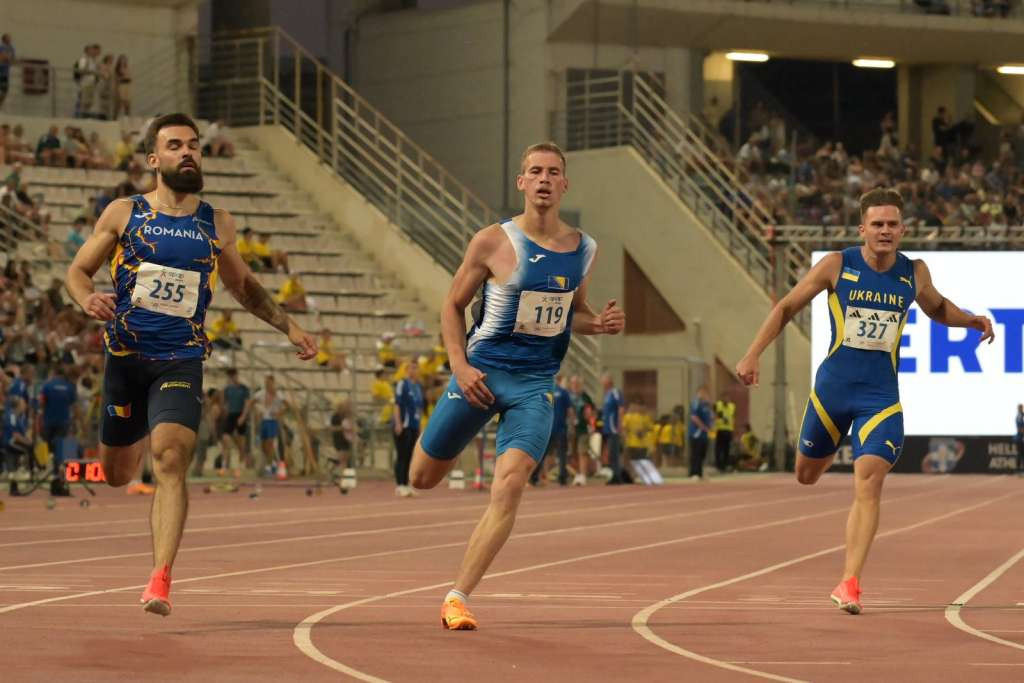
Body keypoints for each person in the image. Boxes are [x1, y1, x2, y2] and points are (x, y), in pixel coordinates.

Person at [64, 113, 316, 617]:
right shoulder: (124, 213)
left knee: (172, 458)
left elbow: (243, 286)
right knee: (116, 474)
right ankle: (128, 447)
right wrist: (86, 298)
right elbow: (76, 271)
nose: (187, 153)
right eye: (175, 145)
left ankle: (160, 578)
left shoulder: (216, 223)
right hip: (125, 360)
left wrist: (288, 326)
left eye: (194, 145)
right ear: (154, 160)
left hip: (180, 359)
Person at [736, 187, 994, 615]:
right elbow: (785, 307)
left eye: (893, 224)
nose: (886, 231)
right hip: (832, 394)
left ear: (903, 229)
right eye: (878, 224)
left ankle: (849, 582)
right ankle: (824, 448)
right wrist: (752, 353)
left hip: (881, 398)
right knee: (805, 475)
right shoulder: (837, 265)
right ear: (863, 229)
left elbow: (936, 307)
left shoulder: (914, 271)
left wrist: (970, 321)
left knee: (869, 480)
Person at [406, 141, 624, 630]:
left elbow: (572, 316)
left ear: (564, 183)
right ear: (521, 183)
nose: (544, 179)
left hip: (534, 385)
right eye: (534, 172)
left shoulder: (583, 249)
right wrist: (459, 366)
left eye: (553, 172)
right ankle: (449, 431)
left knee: (509, 485)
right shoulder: (491, 242)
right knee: (421, 477)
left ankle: (457, 597)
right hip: (482, 373)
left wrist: (601, 323)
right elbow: (451, 306)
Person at [38, 364, 78, 495]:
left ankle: (55, 476)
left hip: (49, 422)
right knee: (61, 452)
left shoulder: (47, 385)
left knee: (52, 452)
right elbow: (74, 406)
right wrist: (76, 423)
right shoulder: (69, 386)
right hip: (63, 423)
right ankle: (60, 479)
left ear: (54, 373)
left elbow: (42, 403)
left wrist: (42, 418)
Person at [393, 361, 424, 497]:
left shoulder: (417, 386)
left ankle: (407, 484)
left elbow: (419, 408)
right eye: (412, 367)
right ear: (406, 369)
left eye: (416, 368)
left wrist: (420, 426)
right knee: (402, 455)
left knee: (411, 456)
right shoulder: (402, 384)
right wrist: (398, 423)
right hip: (404, 425)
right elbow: (397, 404)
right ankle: (400, 484)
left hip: (414, 425)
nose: (414, 370)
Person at [247, 375, 287, 478]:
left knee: (270, 443)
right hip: (263, 421)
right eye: (266, 382)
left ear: (273, 383)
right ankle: (273, 463)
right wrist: (254, 411)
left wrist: (279, 413)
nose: (267, 384)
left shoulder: (278, 394)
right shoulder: (261, 393)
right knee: (264, 446)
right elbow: (251, 402)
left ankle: (270, 467)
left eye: (269, 382)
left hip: (272, 421)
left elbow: (287, 406)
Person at [220, 367, 250, 473]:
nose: (233, 377)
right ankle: (223, 465)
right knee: (225, 439)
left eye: (234, 375)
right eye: (231, 376)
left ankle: (241, 464)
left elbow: (247, 404)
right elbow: (224, 404)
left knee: (241, 442)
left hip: (240, 414)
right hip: (231, 416)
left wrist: (243, 416)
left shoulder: (244, 388)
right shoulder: (227, 389)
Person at [568, 373, 595, 486]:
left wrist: (591, 423)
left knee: (582, 451)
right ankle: (578, 473)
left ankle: (583, 475)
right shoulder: (567, 396)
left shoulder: (585, 397)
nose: (575, 385)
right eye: (573, 383)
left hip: (583, 428)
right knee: (573, 453)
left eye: (577, 383)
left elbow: (592, 412)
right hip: (570, 429)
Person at [601, 374, 625, 484]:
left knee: (614, 452)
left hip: (613, 428)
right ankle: (614, 474)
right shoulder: (606, 394)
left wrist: (619, 424)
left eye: (603, 380)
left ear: (609, 381)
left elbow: (620, 408)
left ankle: (617, 476)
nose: (601, 383)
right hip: (606, 428)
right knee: (610, 452)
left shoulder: (615, 392)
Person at [688, 387, 712, 480]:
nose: (704, 395)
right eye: (702, 392)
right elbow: (694, 417)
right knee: (696, 453)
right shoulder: (696, 403)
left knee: (702, 454)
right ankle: (694, 473)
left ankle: (700, 473)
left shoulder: (706, 405)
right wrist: (703, 427)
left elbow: (710, 417)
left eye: (706, 393)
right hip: (696, 433)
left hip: (704, 434)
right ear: (698, 393)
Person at [713, 392, 736, 472]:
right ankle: (718, 465)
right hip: (720, 430)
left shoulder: (732, 406)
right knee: (719, 449)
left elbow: (733, 417)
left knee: (727, 449)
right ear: (722, 398)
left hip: (728, 430)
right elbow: (714, 415)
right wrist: (721, 418)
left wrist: (733, 429)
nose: (726, 399)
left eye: (728, 398)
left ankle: (725, 465)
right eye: (725, 397)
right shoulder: (718, 405)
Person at [0, 34, 15, 110]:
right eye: (8, 38)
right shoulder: (1, 47)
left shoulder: (11, 48)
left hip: (5, 73)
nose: (10, 39)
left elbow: (12, 59)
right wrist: (6, 58)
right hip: (1, 70)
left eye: (10, 38)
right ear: (4, 39)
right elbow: (3, 57)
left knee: (5, 90)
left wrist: (8, 59)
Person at [1016, 404, 1024, 476]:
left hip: (1021, 438)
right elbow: (1020, 428)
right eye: (1020, 408)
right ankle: (1019, 471)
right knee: (1020, 454)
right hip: (1020, 439)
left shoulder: (1022, 415)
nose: (1021, 409)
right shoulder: (1019, 416)